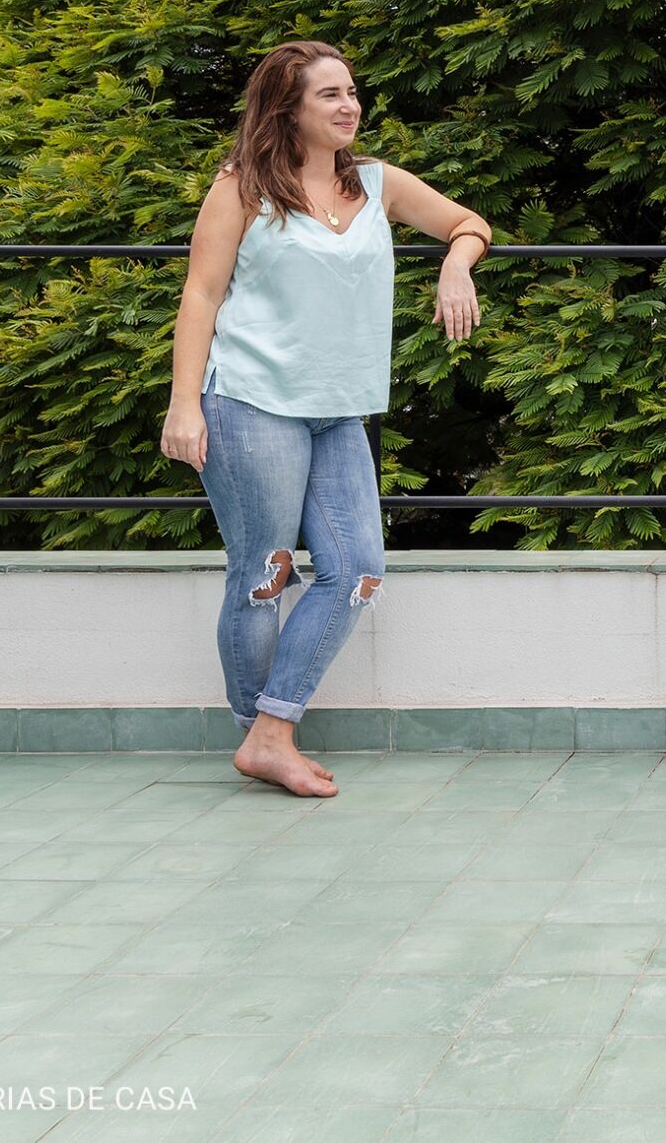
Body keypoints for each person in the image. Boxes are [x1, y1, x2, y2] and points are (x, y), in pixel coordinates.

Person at [162, 41, 490, 797]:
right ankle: (264, 737)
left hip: (339, 411)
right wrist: (184, 403)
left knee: (357, 569)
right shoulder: (243, 187)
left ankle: (269, 732)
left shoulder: (377, 183)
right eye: (330, 95)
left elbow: (470, 223)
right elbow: (200, 295)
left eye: (352, 92)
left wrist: (455, 264)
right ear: (287, 109)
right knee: (264, 573)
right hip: (251, 402)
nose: (350, 106)